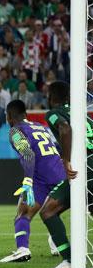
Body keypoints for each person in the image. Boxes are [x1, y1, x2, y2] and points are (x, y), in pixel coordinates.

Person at [1, 100, 72, 268]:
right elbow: (55, 147)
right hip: (59, 173)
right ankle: (55, 239)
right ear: (25, 114)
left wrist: (27, 181)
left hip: (39, 177)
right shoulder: (40, 126)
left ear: (9, 116)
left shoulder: (15, 131)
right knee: (52, 212)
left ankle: (23, 249)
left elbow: (27, 153)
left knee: (22, 213)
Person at [46, 81, 91, 213]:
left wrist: (66, 160)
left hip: (84, 165)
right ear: (68, 96)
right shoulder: (80, 114)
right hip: (87, 161)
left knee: (48, 211)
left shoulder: (53, 113)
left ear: (51, 97)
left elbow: (65, 128)